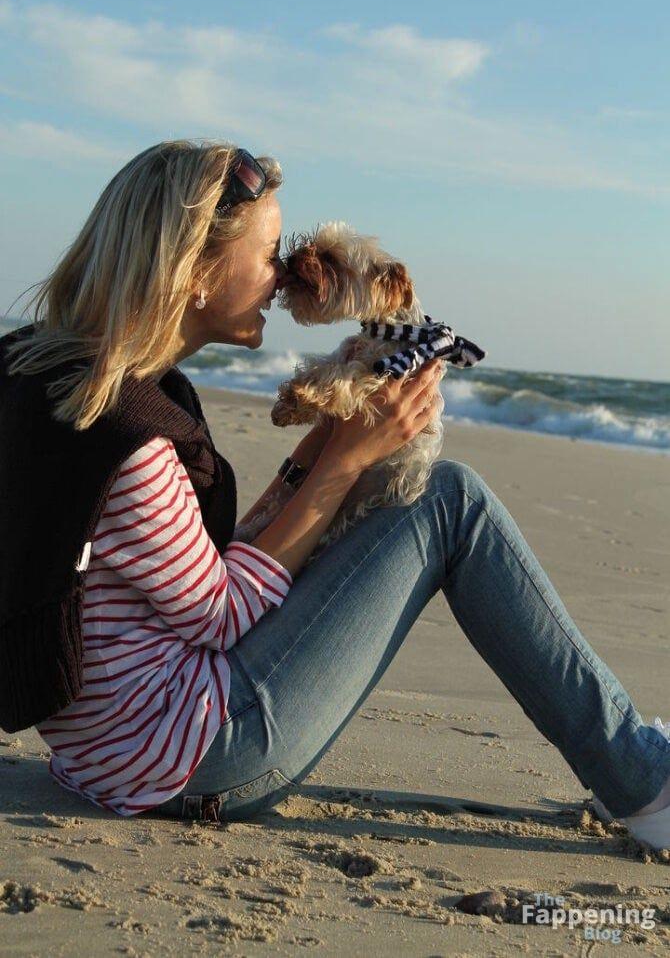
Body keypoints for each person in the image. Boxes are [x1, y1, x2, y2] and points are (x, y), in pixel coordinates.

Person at [1, 141, 668, 848]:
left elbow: (192, 573)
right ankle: (647, 783)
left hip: (105, 750)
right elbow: (220, 615)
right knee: (452, 500)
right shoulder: (131, 436)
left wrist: (320, 449)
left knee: (432, 496)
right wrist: (346, 462)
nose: (280, 276)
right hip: (191, 754)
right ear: (195, 272)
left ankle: (637, 764)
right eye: (268, 256)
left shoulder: (56, 379)